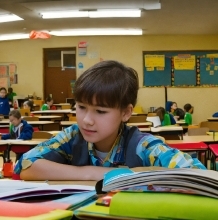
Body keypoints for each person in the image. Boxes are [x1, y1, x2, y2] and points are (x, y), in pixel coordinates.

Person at [13, 60, 205, 181]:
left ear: (126, 113)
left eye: (100, 111)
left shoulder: (141, 145)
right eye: (81, 107)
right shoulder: (72, 136)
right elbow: (25, 164)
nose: (87, 120)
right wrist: (90, 173)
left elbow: (199, 175)